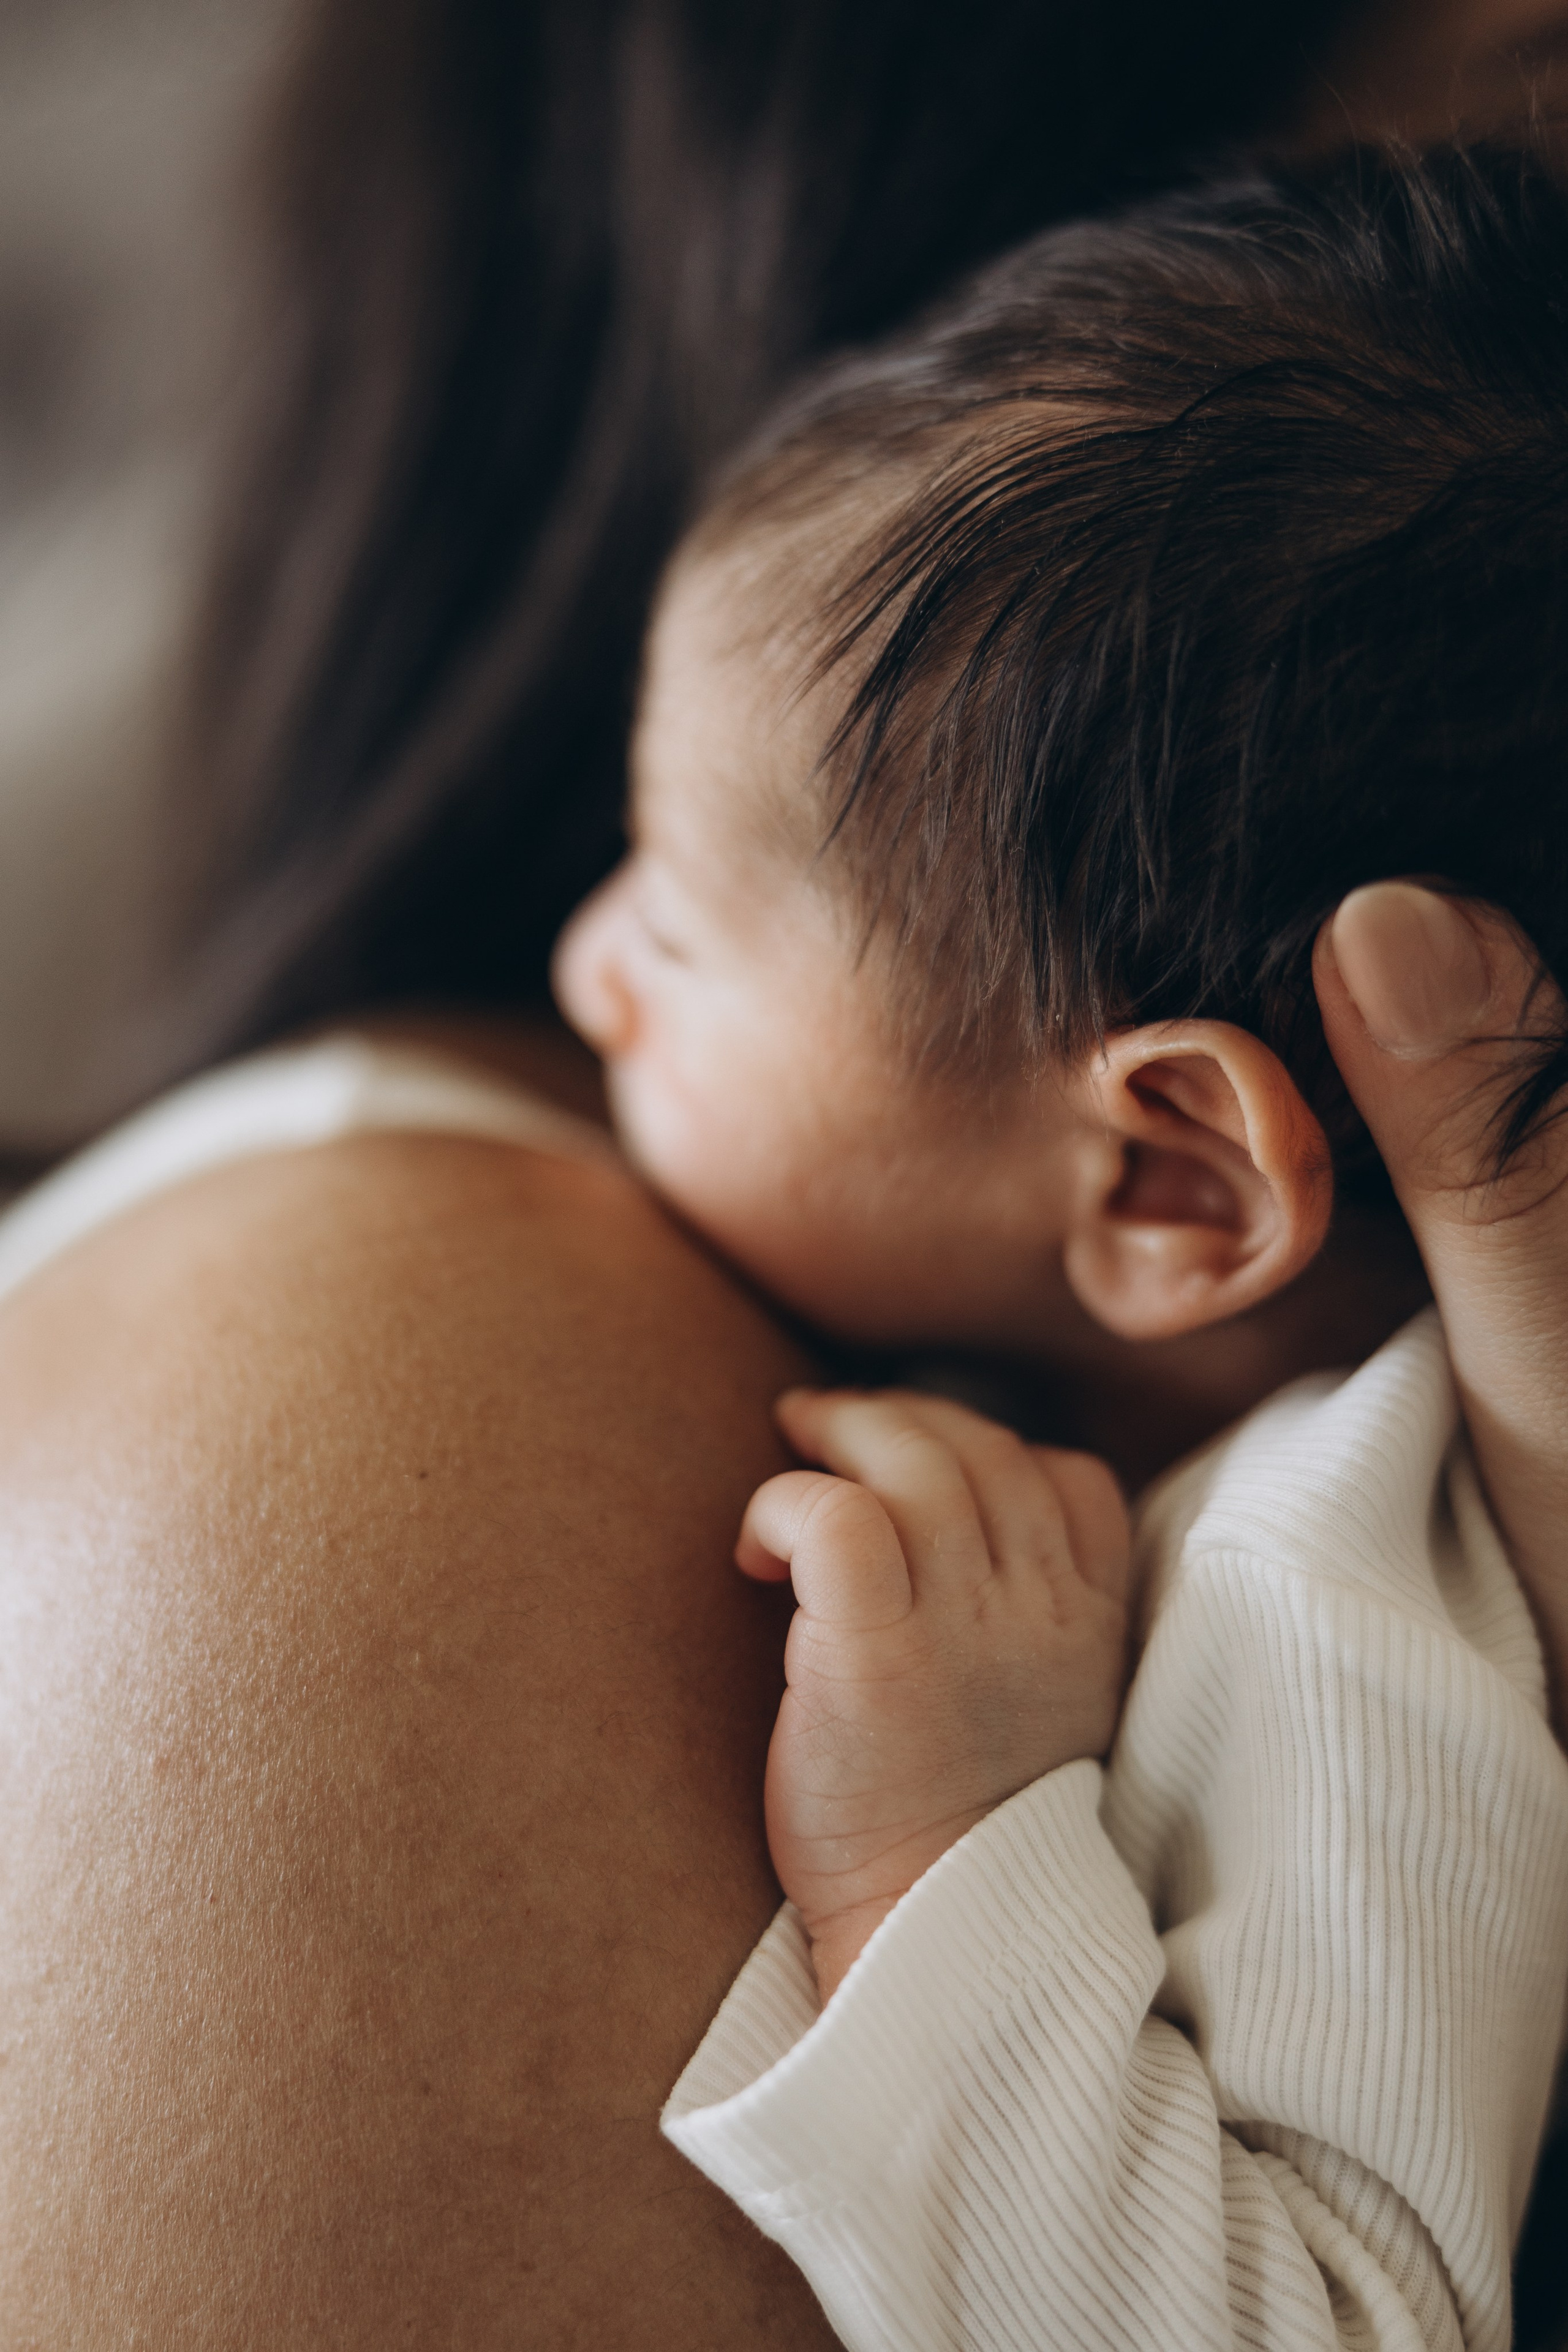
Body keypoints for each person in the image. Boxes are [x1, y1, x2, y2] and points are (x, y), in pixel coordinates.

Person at [542, 145, 1568, 2344]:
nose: (586, 971)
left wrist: (947, 1853)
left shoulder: (1338, 1598)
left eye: (683, 919)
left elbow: (1330, 2323)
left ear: (1170, 1181)